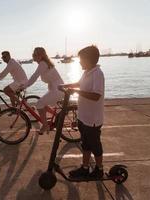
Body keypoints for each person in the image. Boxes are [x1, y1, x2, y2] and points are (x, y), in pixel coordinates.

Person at [64, 45, 105, 179]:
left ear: (89, 59)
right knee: (85, 144)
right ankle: (85, 168)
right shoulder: (87, 71)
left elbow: (96, 96)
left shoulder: (97, 74)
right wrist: (66, 86)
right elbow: (79, 83)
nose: (79, 62)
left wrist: (75, 91)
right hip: (83, 117)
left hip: (93, 119)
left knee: (95, 145)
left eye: (81, 59)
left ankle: (99, 170)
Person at [21, 47, 64, 134]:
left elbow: (34, 76)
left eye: (36, 55)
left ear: (41, 56)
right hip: (56, 88)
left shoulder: (43, 64)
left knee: (39, 104)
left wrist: (24, 86)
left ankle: (45, 125)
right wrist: (24, 85)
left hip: (57, 89)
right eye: (34, 54)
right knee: (42, 103)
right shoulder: (44, 63)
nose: (34, 56)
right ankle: (57, 116)